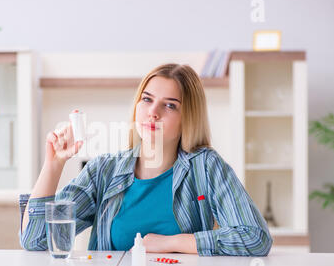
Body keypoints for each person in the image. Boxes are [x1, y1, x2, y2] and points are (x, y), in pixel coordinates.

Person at [19, 63, 273, 256]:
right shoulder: (103, 171)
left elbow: (255, 237)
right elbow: (36, 241)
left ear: (189, 117)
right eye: (147, 100)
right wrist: (52, 166)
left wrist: (170, 243)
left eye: (170, 105)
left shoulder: (205, 167)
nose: (153, 112)